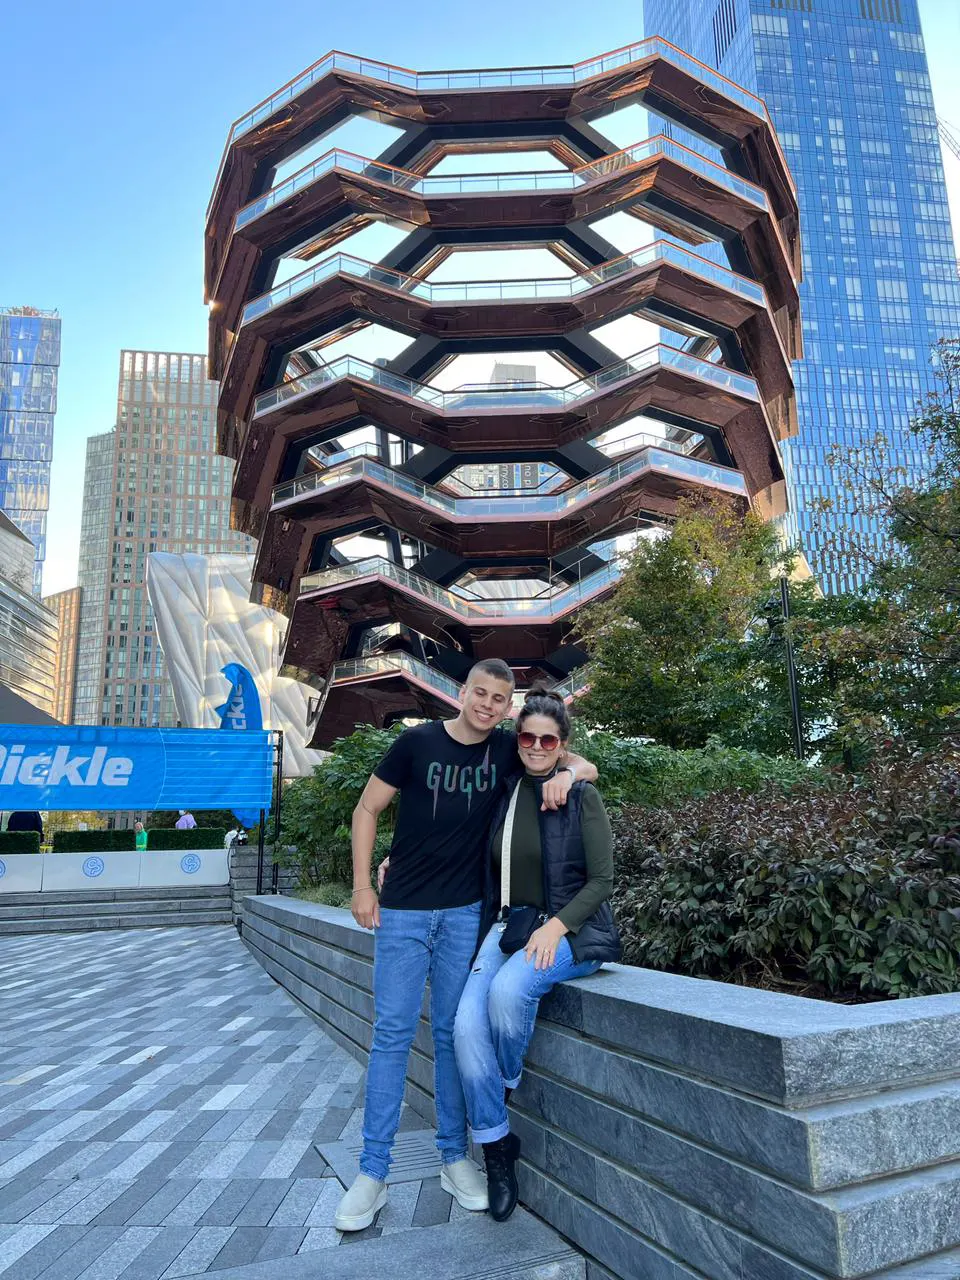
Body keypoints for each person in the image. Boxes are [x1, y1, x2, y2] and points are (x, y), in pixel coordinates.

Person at [334, 659, 597, 1233]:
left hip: (464, 916)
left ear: (507, 707)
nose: (487, 705)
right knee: (392, 1035)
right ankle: (372, 1172)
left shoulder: (508, 749)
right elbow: (367, 808)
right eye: (480, 693)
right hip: (403, 910)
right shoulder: (416, 743)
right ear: (462, 692)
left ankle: (454, 1158)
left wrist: (570, 774)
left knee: (452, 1036)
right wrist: (361, 885)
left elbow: (577, 760)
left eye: (499, 699)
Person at [454, 685, 620, 1222]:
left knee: (507, 995)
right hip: (508, 927)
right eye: (528, 737)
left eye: (549, 741)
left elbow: (603, 881)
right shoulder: (506, 790)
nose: (537, 747)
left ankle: (496, 1097)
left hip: (571, 931)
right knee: (464, 1028)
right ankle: (499, 1148)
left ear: (562, 745)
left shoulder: (579, 795)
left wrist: (557, 927)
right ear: (518, 739)